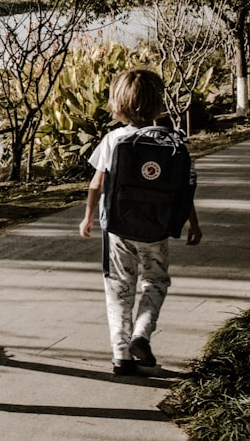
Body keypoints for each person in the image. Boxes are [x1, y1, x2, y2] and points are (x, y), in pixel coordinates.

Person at [79, 69, 203, 376]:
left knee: (119, 288)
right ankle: (142, 334)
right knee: (156, 281)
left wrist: (88, 216)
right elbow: (183, 191)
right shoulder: (172, 142)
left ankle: (121, 356)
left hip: (118, 229)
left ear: (117, 104)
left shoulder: (113, 139)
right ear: (157, 104)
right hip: (156, 230)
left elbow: (97, 183)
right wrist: (193, 223)